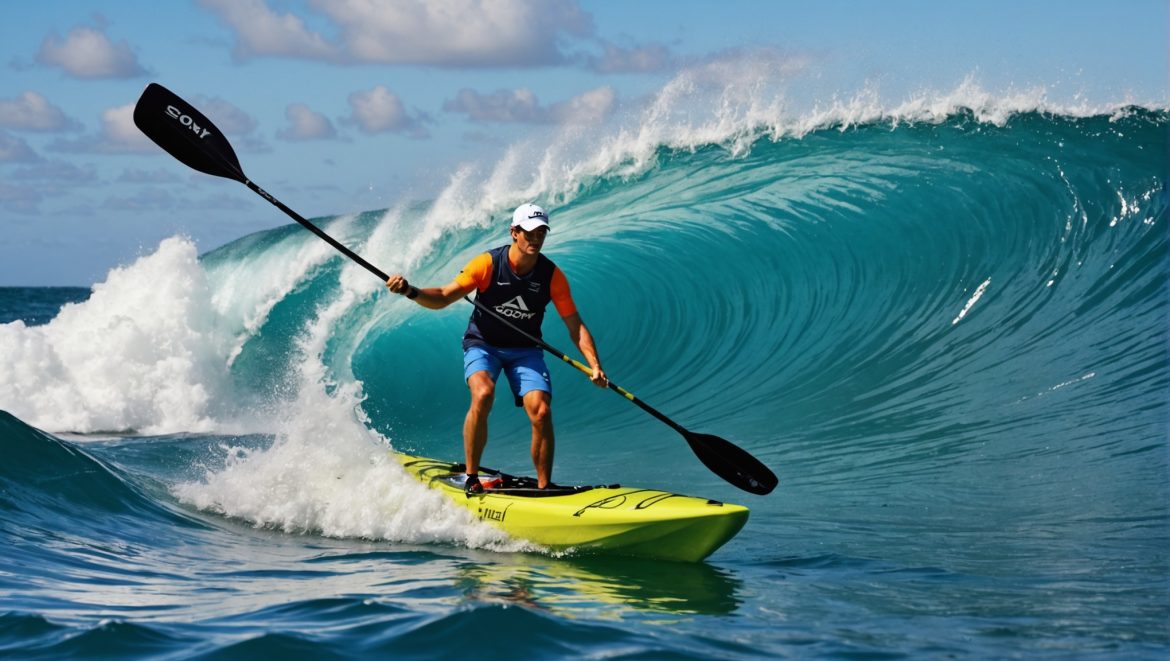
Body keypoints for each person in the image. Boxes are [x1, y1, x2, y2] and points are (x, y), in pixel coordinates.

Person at [386, 203, 608, 494]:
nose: (536, 239)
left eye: (541, 232)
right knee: (483, 393)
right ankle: (471, 476)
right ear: (514, 232)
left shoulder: (551, 276)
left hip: (525, 350)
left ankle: (545, 487)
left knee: (541, 411)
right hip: (484, 345)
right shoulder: (488, 264)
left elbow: (575, 325)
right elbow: (442, 297)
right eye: (529, 232)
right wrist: (408, 290)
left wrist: (595, 364)